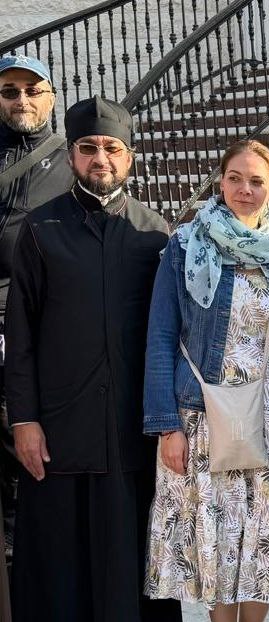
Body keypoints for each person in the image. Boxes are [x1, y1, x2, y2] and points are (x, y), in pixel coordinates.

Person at [5, 95, 185, 622]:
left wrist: (174, 418)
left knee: (132, 544)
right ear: (72, 156)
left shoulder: (155, 233)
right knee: (70, 549)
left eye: (111, 148)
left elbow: (172, 334)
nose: (99, 158)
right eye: (87, 148)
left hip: (134, 422)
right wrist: (24, 420)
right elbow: (21, 336)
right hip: (63, 421)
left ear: (129, 157)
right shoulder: (40, 230)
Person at [143, 139, 269, 622]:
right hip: (204, 413)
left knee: (266, 531)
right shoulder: (184, 247)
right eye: (236, 177)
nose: (246, 189)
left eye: (257, 180)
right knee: (216, 532)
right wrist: (166, 424)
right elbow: (161, 335)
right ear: (221, 181)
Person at [0, 55, 72, 566]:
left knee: (33, 454)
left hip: (41, 333)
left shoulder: (73, 161)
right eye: (9, 91)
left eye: (32, 89)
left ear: (51, 97)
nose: (21, 100)